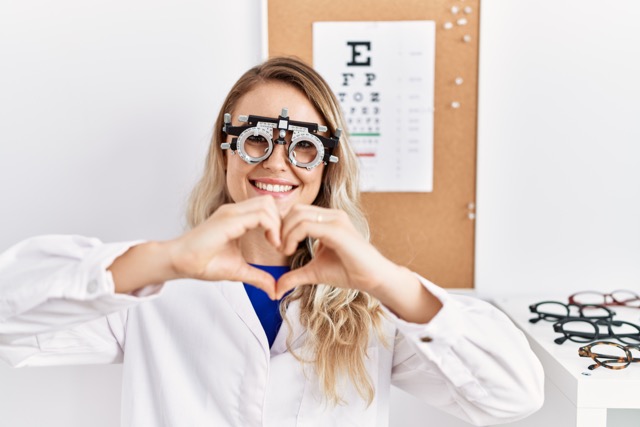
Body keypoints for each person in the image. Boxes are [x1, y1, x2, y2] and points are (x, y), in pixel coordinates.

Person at [0, 57, 544, 426]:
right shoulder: (154, 287)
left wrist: (384, 280)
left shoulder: (377, 303)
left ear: (328, 169)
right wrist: (164, 260)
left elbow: (515, 395)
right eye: (257, 139)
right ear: (226, 154)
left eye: (304, 147)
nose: (278, 162)